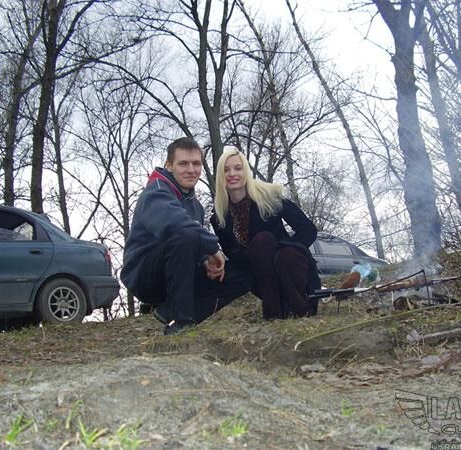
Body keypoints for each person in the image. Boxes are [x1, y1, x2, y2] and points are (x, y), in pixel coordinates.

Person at [121, 138, 252, 335]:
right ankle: (181, 321)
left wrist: (205, 261)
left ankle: (169, 311)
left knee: (243, 273)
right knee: (185, 234)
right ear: (169, 165)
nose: (191, 170)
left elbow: (191, 245)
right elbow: (177, 226)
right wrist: (212, 248)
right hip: (145, 276)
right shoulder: (156, 191)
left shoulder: (196, 206)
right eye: (183, 163)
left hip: (179, 276)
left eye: (196, 164)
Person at [211, 147, 321, 320]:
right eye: (226, 170)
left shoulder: (269, 197)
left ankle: (301, 309)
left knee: (268, 243)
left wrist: (283, 249)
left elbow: (308, 230)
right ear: (220, 176)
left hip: (291, 267)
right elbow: (233, 254)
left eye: (238, 168)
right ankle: (274, 312)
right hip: (260, 276)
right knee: (260, 245)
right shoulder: (219, 218)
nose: (232, 174)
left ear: (246, 172)